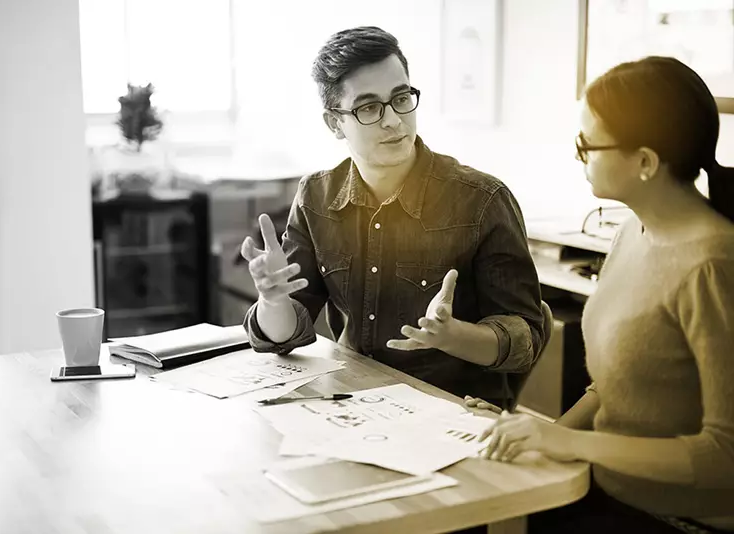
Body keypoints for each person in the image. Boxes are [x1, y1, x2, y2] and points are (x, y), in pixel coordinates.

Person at [473, 56, 734, 533]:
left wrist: (573, 446)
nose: (580, 155)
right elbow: (616, 386)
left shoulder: (712, 267)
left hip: (679, 521)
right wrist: (544, 435)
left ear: (646, 162)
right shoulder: (632, 230)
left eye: (587, 144)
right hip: (604, 490)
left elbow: (724, 456)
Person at [239, 26, 544, 408]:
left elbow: (526, 340)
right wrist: (272, 301)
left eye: (401, 98)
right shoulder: (317, 196)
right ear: (335, 123)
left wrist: (452, 336)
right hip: (352, 401)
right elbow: (284, 339)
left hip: (452, 411)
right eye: (368, 107)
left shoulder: (482, 201)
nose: (393, 121)